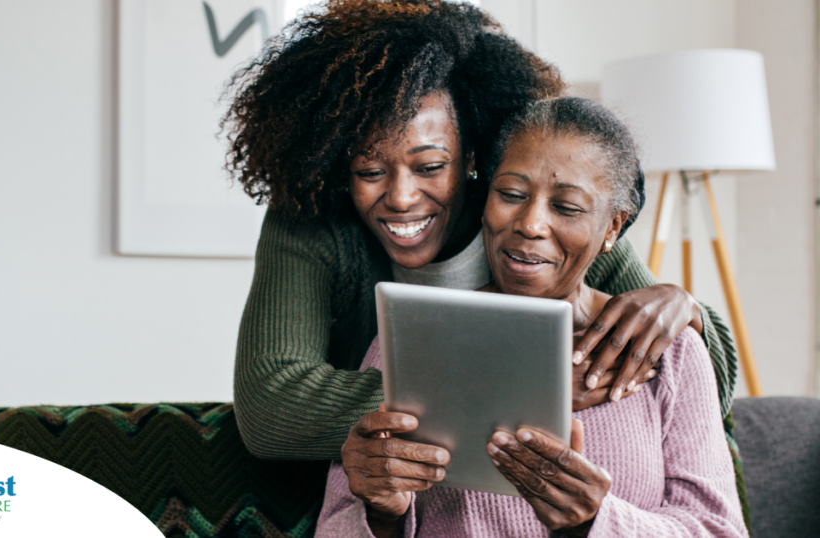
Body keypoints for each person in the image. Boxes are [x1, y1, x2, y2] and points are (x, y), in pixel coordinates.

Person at [224, 0, 738, 464]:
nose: (401, 197)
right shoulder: (312, 218)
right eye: (370, 171)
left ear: (472, 158)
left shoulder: (538, 220)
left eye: (430, 167)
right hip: (381, 489)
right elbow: (271, 409)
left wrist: (685, 309)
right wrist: (521, 389)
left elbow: (705, 386)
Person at [317, 97, 748, 538]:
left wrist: (596, 523)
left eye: (566, 208)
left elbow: (719, 531)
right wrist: (380, 516)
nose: (530, 224)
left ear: (613, 228)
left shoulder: (671, 352)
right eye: (511, 195)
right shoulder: (409, 336)